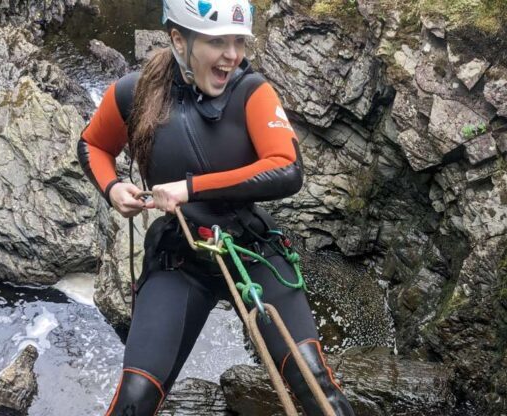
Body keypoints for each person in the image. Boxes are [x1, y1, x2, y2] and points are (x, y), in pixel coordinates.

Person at [76, 0, 356, 414]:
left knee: (313, 380)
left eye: (239, 41)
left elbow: (287, 169)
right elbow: (93, 144)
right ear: (178, 40)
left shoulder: (252, 93)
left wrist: (191, 188)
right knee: (135, 397)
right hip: (181, 258)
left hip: (252, 250)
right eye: (218, 41)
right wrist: (113, 187)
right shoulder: (134, 93)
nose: (233, 55)